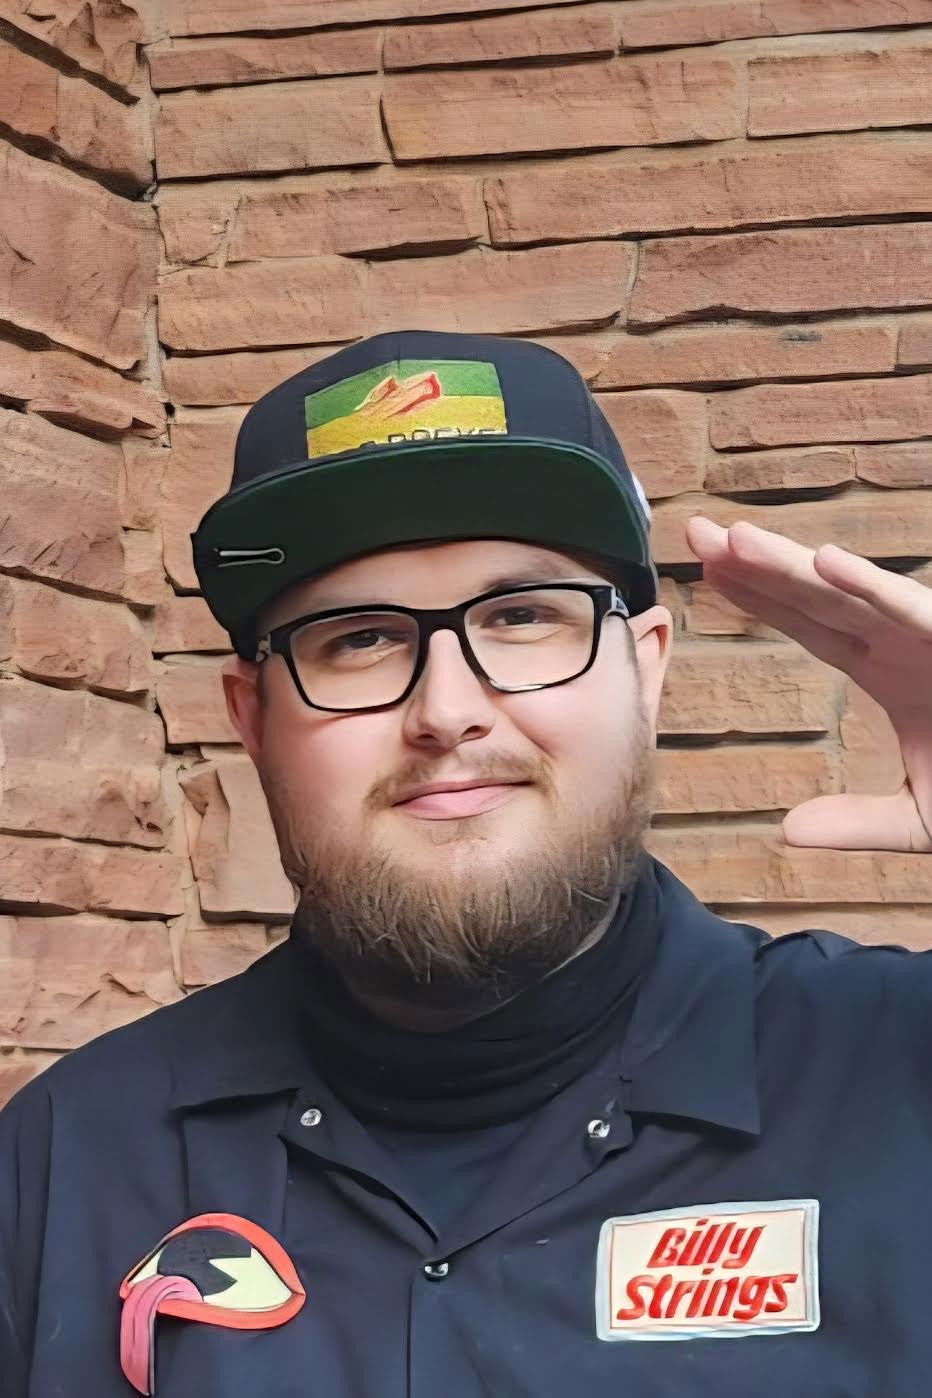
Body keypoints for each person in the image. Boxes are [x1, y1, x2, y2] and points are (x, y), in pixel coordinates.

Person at [1, 329, 929, 1398]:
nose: (446, 710)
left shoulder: (903, 1073)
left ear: (645, 672)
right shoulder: (67, 1161)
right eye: (358, 637)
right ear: (252, 719)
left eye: (521, 617)